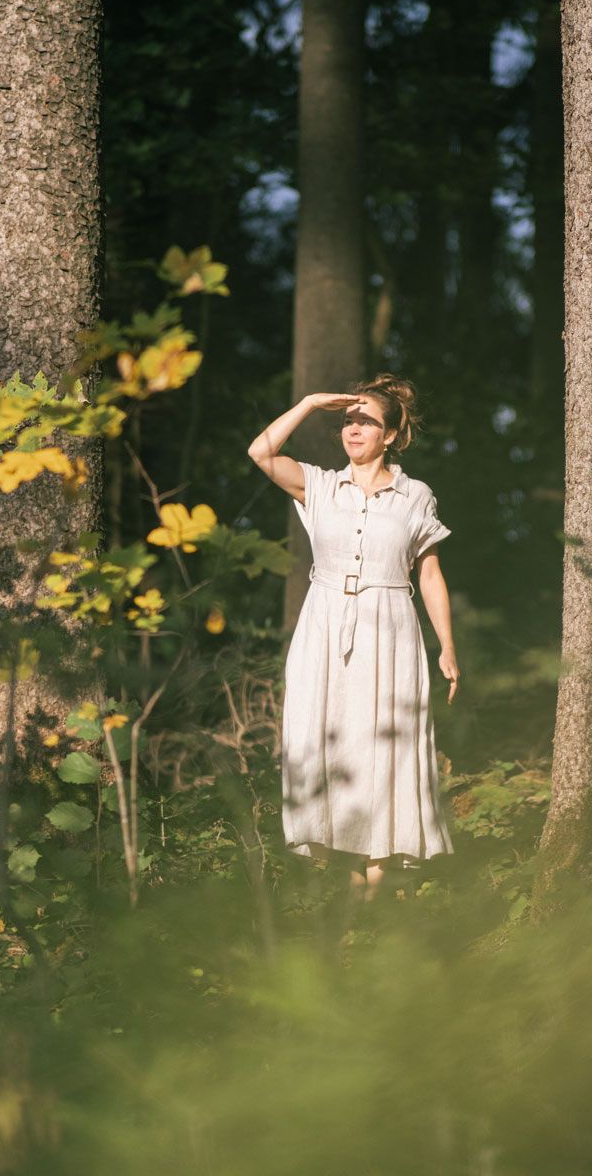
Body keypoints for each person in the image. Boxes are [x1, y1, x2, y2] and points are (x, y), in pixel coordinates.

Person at [247, 374, 460, 903]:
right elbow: (260, 451)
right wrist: (311, 402)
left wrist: (447, 647)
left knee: (384, 745)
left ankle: (380, 893)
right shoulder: (318, 484)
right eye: (348, 419)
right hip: (323, 626)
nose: (354, 428)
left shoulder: (415, 496)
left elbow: (429, 574)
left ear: (389, 435)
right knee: (331, 740)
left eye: (366, 420)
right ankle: (349, 891)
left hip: (390, 626)